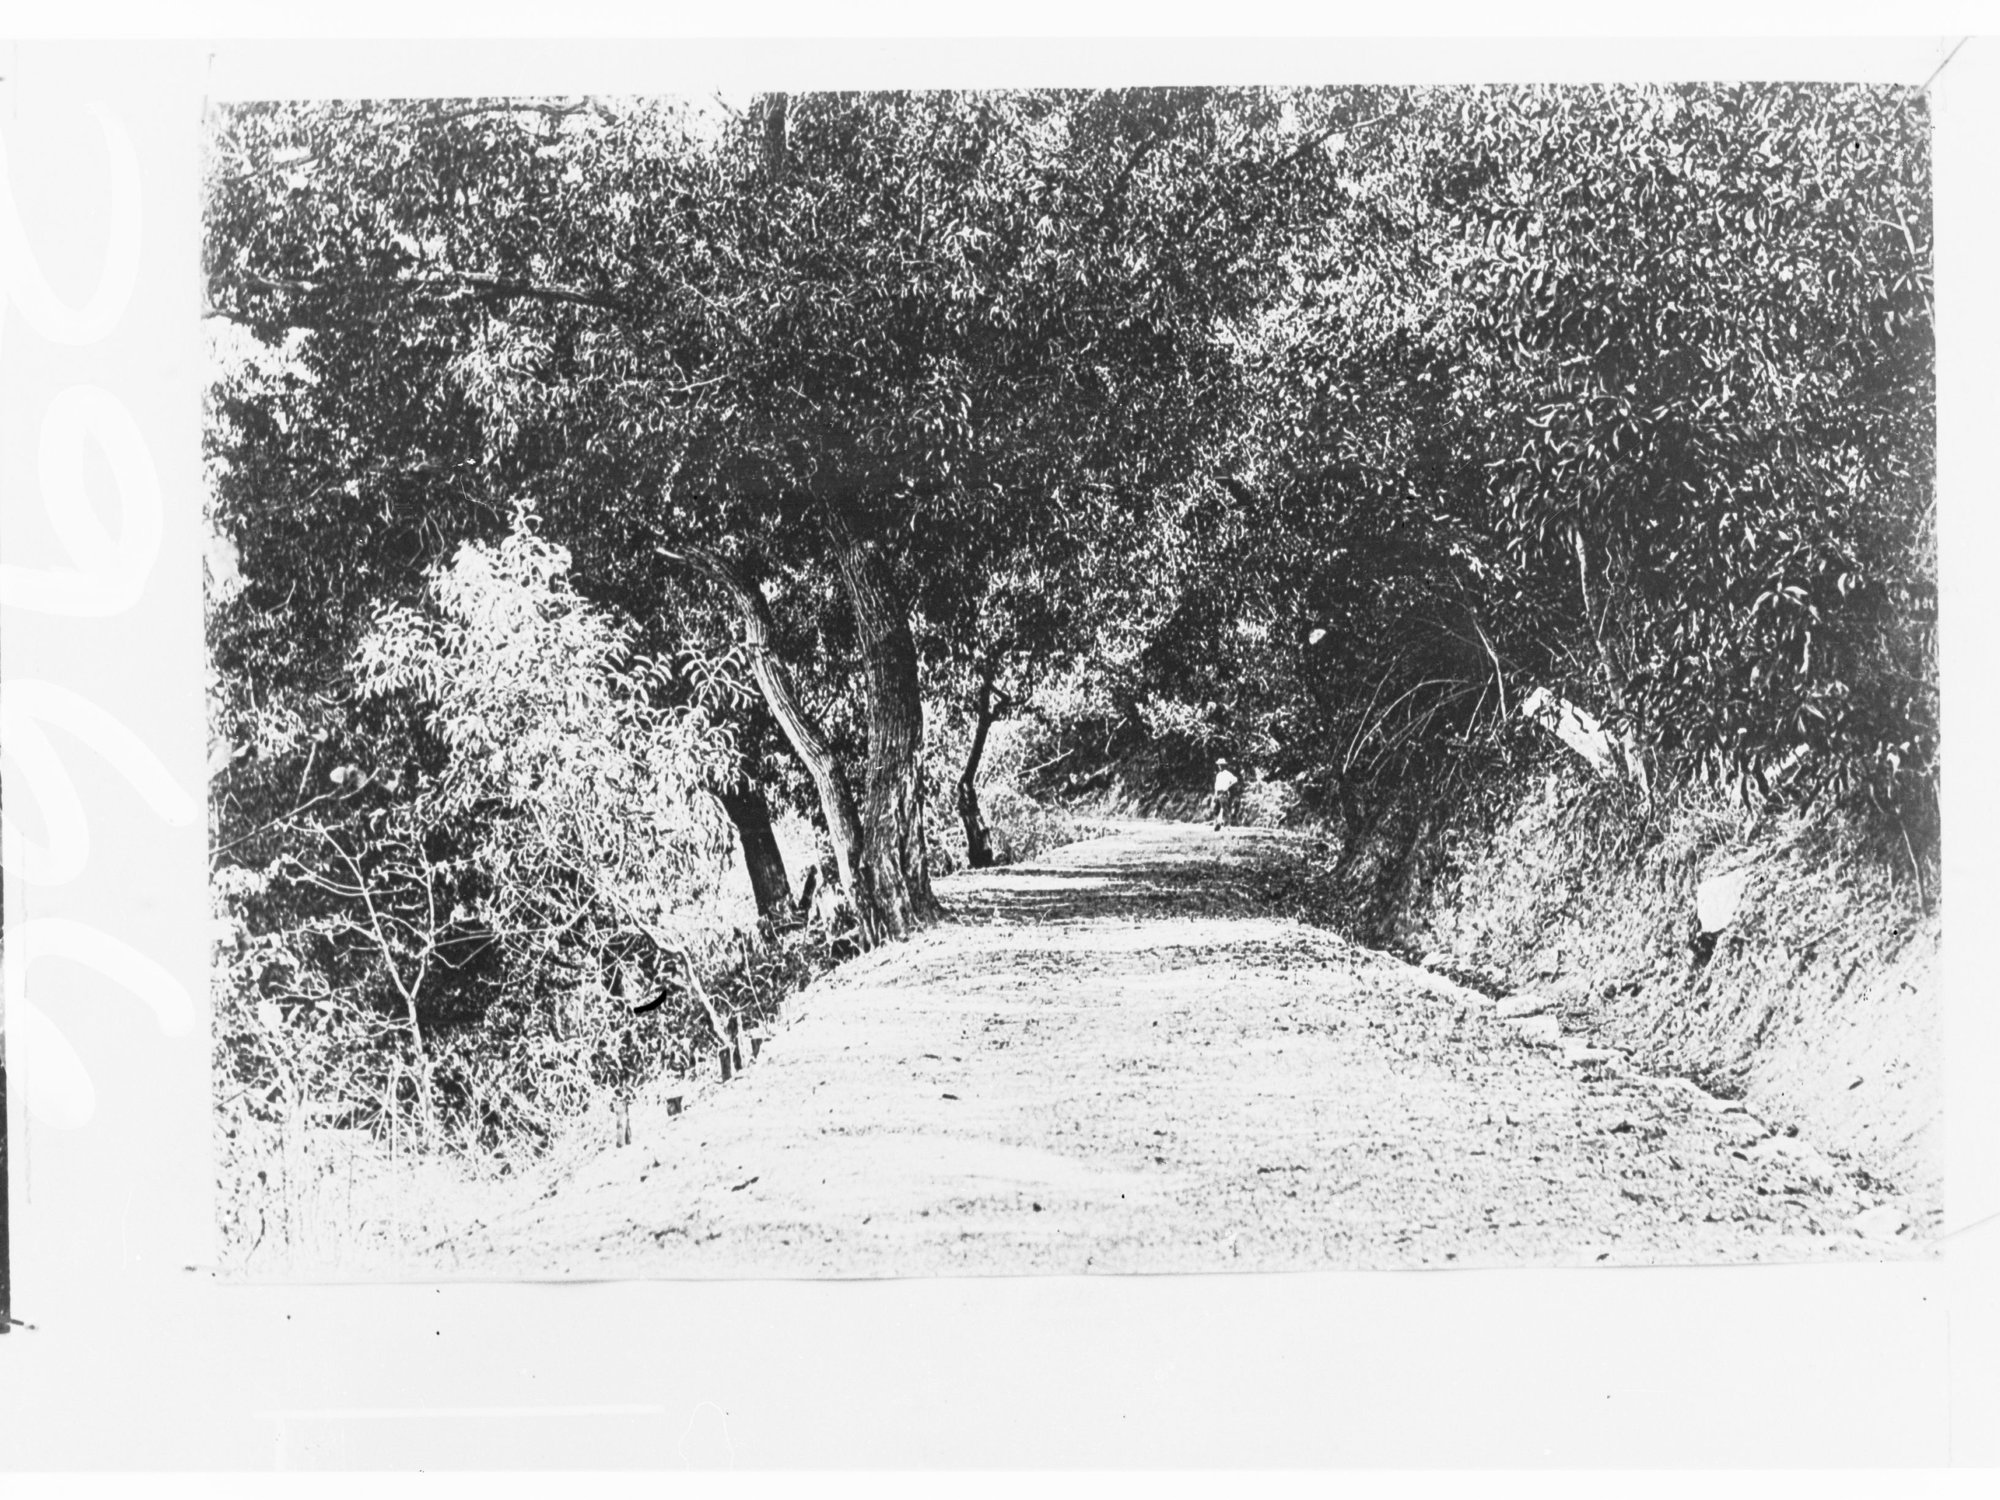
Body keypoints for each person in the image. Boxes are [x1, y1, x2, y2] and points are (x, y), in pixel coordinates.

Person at [1210, 756, 1242, 830]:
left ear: (1223, 766)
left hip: (1224, 793)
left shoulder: (1227, 774)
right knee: (1216, 809)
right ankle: (1217, 824)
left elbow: (1235, 780)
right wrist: (1215, 794)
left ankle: (1227, 825)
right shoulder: (1218, 775)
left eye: (1220, 765)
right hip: (1218, 792)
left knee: (1225, 809)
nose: (1219, 766)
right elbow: (1216, 785)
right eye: (1219, 765)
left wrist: (1228, 787)